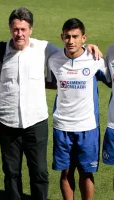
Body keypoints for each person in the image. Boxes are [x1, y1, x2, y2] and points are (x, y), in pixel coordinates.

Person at [0, 8, 102, 200]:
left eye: (23, 29)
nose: (19, 34)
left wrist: (89, 47)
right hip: (7, 122)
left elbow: (71, 53)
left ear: (31, 29)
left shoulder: (44, 48)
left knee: (39, 173)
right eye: (15, 29)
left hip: (36, 122)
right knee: (11, 173)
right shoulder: (1, 50)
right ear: (10, 29)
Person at [46, 18, 110, 200]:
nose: (71, 41)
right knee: (65, 172)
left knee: (86, 173)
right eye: (67, 36)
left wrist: (96, 48)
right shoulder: (54, 60)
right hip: (62, 126)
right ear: (62, 37)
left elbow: (110, 80)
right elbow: (52, 82)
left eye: (75, 36)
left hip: (87, 127)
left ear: (84, 37)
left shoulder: (94, 59)